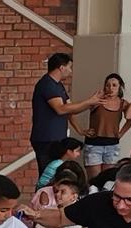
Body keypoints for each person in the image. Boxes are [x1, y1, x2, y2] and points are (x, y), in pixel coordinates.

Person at [31, 53, 101, 181]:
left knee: (58, 174)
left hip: (57, 138)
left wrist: (80, 129)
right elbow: (60, 109)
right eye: (69, 67)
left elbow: (70, 109)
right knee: (48, 176)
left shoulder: (58, 85)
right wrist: (88, 102)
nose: (70, 71)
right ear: (61, 67)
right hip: (46, 139)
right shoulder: (47, 84)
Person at [81, 74, 131, 179]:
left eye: (114, 85)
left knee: (108, 180)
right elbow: (76, 110)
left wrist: (121, 133)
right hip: (94, 144)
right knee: (94, 181)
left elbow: (130, 119)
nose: (110, 88)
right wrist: (81, 130)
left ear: (120, 87)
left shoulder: (123, 103)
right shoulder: (97, 101)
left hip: (112, 145)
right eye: (108, 85)